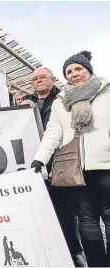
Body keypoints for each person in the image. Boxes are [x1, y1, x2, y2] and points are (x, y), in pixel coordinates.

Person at [32, 51, 110, 267]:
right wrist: (40, 158)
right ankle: (97, 264)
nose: (74, 74)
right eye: (69, 71)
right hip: (77, 170)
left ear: (88, 70)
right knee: (87, 220)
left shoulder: (106, 92)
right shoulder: (61, 101)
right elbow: (53, 133)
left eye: (78, 69)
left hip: (105, 166)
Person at [31, 66, 85, 267]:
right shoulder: (29, 103)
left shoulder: (64, 99)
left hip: (61, 165)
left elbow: (58, 134)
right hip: (38, 166)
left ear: (53, 79)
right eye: (34, 79)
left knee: (67, 215)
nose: (38, 81)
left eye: (42, 77)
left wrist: (56, 161)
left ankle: (76, 257)